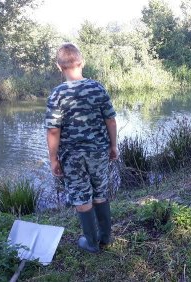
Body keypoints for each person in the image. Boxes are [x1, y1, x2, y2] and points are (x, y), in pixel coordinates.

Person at [45, 43, 118, 253]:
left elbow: (52, 131)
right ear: (82, 62)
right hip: (98, 151)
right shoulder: (97, 88)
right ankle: (105, 237)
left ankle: (92, 243)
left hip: (72, 156)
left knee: (81, 196)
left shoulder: (57, 94)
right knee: (100, 191)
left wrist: (53, 160)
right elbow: (110, 120)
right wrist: (113, 146)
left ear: (59, 67)